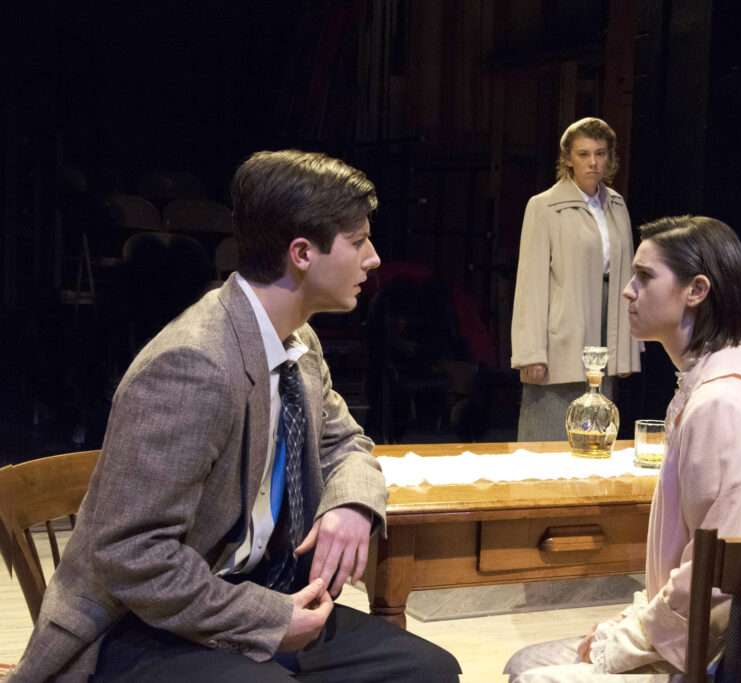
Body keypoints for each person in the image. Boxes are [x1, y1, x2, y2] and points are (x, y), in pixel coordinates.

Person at [9, 150, 460, 682]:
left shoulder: (299, 342)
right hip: (141, 626)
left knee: (427, 669)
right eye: (358, 241)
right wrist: (267, 619)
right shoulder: (193, 364)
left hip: (253, 592)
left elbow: (346, 444)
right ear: (302, 253)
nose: (374, 258)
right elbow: (131, 555)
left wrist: (352, 505)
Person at [504, 216, 741, 680]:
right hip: (708, 631)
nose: (628, 291)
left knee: (533, 672)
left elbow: (719, 585)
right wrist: (629, 623)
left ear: (696, 290)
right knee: (528, 660)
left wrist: (624, 643)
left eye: (645, 276)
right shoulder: (718, 381)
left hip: (735, 655)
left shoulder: (724, 402)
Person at [511, 117, 642, 441]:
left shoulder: (616, 206)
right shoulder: (545, 207)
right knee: (549, 425)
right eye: (583, 154)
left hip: (605, 323)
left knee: (596, 426)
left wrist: (627, 345)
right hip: (563, 329)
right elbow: (531, 282)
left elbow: (627, 277)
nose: (593, 163)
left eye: (600, 154)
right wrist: (530, 352)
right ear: (567, 158)